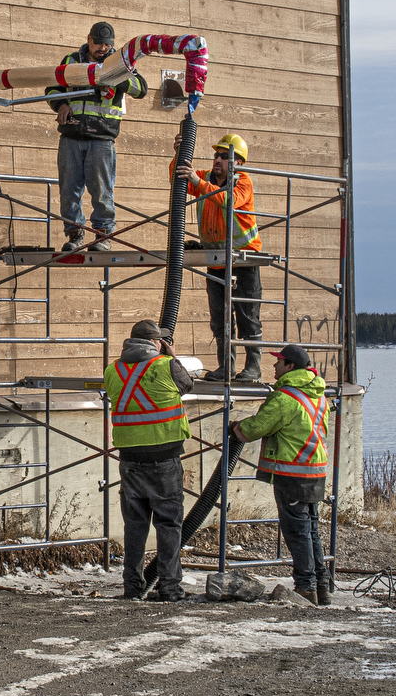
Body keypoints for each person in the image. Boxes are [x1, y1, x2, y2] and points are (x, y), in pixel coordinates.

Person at [231, 342, 331, 602]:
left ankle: (306, 586)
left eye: (278, 362)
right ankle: (322, 586)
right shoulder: (319, 396)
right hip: (315, 470)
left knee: (297, 532)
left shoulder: (284, 397)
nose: (274, 366)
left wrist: (236, 428)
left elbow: (256, 428)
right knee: (311, 530)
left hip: (293, 472)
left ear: (290, 366)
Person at [108, 319, 191, 599]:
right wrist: (172, 356)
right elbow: (187, 385)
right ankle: (169, 587)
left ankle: (132, 586)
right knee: (168, 524)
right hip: (164, 459)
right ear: (158, 343)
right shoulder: (167, 365)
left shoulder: (113, 370)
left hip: (129, 460)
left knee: (135, 525)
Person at [52, 21, 145, 254]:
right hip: (72, 136)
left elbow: (141, 88)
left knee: (102, 191)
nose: (103, 48)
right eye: (99, 43)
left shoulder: (119, 63)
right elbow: (52, 88)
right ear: (89, 40)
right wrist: (60, 104)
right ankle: (75, 236)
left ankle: (103, 236)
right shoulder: (71, 61)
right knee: (68, 191)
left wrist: (115, 76)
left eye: (107, 44)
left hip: (102, 139)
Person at [178, 132, 265, 379]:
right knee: (219, 318)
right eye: (217, 155)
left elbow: (230, 200)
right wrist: (178, 154)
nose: (218, 160)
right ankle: (226, 367)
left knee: (247, 316)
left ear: (238, 162)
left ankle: (253, 368)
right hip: (217, 260)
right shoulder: (206, 178)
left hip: (243, 259)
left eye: (225, 157)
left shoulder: (242, 182)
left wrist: (199, 182)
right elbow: (179, 180)